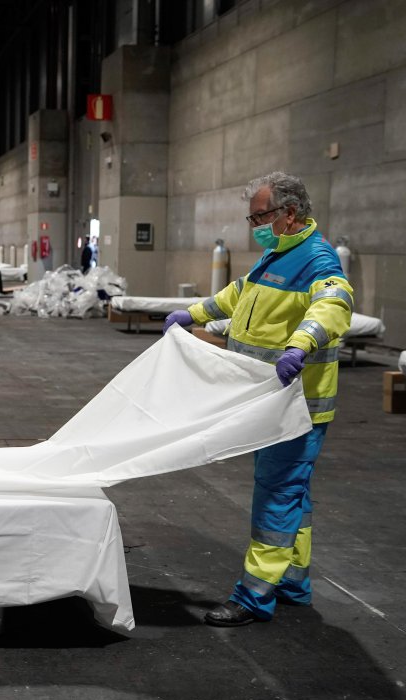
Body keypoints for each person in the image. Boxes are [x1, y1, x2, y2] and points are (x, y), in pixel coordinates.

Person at [162, 171, 352, 627]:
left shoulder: (318, 259)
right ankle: (292, 583)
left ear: (289, 213)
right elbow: (238, 295)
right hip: (270, 400)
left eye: (260, 216)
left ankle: (253, 596)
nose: (255, 225)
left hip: (297, 404)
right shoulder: (275, 254)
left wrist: (300, 345)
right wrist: (193, 313)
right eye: (252, 217)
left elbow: (334, 305)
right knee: (293, 494)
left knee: (276, 496)